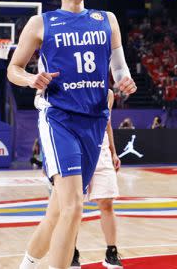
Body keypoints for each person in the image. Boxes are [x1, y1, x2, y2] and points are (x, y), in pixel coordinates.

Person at [10, 0, 136, 269]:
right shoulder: (41, 23)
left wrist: (125, 82)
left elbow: (119, 70)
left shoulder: (106, 19)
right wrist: (30, 79)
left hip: (94, 122)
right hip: (59, 119)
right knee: (74, 208)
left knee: (57, 212)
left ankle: (26, 265)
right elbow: (13, 68)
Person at [68, 89, 125, 269]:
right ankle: (71, 252)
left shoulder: (107, 94)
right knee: (74, 207)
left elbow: (107, 123)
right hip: (76, 150)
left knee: (107, 203)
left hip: (101, 151)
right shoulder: (70, 86)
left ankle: (111, 252)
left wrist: (114, 152)